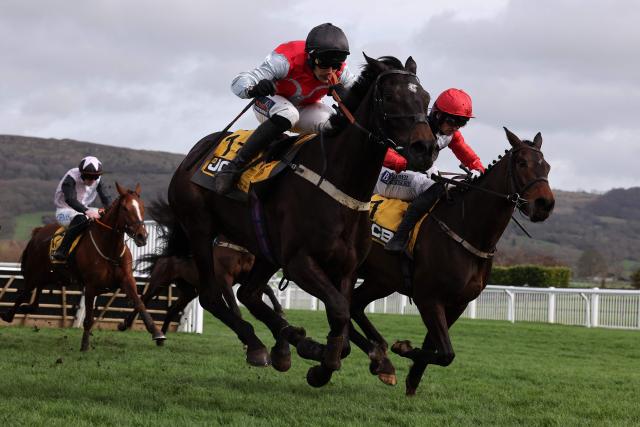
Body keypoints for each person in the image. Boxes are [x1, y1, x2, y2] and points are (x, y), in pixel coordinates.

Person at [212, 22, 358, 195]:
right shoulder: (286, 59)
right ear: (311, 57)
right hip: (270, 103)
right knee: (289, 114)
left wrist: (348, 97)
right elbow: (238, 82)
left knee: (334, 124)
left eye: (336, 66)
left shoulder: (340, 71)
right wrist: (254, 88)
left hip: (305, 108)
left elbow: (361, 102)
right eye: (325, 65)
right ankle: (233, 166)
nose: (330, 72)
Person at [379, 88, 485, 253]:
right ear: (438, 115)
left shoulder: (451, 135)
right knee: (434, 187)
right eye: (452, 121)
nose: (455, 127)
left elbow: (471, 158)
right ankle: (399, 238)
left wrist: (478, 170)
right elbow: (383, 153)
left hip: (412, 177)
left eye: (462, 122)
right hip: (386, 176)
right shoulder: (414, 127)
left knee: (455, 188)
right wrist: (414, 165)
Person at [52, 156, 111, 260]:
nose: (92, 180)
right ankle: (62, 250)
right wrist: (86, 211)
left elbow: (106, 198)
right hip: (64, 211)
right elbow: (70, 200)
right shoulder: (71, 178)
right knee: (82, 219)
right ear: (81, 173)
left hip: (84, 209)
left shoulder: (98, 179)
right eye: (88, 176)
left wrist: (109, 209)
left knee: (109, 217)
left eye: (95, 177)